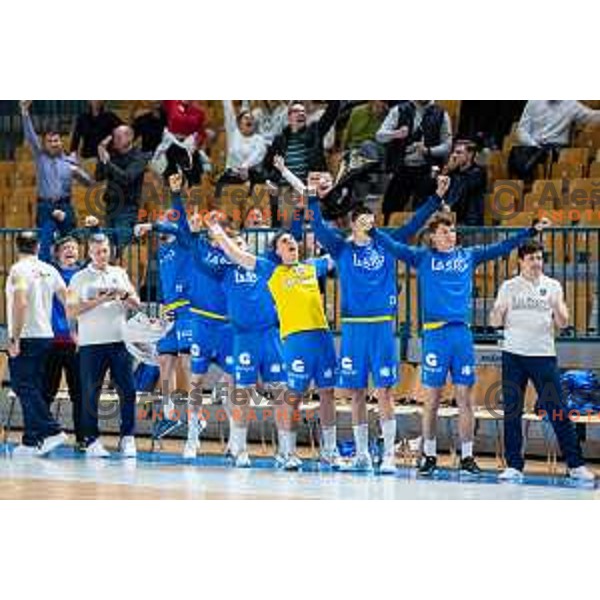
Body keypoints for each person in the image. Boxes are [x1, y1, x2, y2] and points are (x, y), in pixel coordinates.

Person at [275, 156, 453, 472]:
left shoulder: (386, 244)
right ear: (355, 223)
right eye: (365, 219)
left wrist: (436, 198)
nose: (371, 222)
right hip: (354, 328)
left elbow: (413, 225)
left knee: (384, 391)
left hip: (382, 327)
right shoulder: (342, 249)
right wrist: (313, 198)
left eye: (372, 218)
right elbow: (316, 225)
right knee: (355, 393)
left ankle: (387, 455)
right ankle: (360, 453)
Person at [366, 214, 551, 476]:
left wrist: (530, 230)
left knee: (466, 399)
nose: (450, 235)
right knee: (432, 398)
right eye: (444, 231)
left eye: (452, 231)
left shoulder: (468, 256)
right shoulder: (423, 258)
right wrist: (373, 232)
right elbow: (395, 247)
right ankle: (429, 455)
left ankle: (467, 456)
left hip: (461, 335)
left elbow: (502, 247)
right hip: (435, 336)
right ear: (433, 236)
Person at [208, 214, 339, 471]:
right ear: (276, 252)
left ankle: (289, 451)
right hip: (257, 338)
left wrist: (327, 218)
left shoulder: (313, 266)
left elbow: (339, 252)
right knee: (244, 392)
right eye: (284, 241)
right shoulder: (271, 270)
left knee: (286, 394)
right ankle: (240, 448)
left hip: (288, 338)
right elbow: (237, 255)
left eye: (292, 240)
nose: (290, 242)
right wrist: (217, 231)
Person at [490, 240, 595, 482]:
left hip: (543, 356)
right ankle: (514, 465)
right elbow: (495, 322)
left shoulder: (553, 286)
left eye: (539, 258)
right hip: (513, 355)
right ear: (520, 261)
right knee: (512, 411)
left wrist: (557, 308)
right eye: (532, 259)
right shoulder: (508, 287)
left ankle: (575, 464)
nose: (537, 263)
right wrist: (499, 310)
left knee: (558, 411)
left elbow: (564, 322)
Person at [67, 234, 141, 458]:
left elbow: (136, 304)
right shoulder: (79, 278)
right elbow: (71, 311)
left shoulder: (119, 273)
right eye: (97, 251)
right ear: (89, 253)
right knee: (90, 393)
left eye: (105, 251)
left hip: (119, 342)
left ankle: (127, 437)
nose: (102, 255)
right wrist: (101, 299)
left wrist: (123, 294)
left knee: (128, 391)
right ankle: (92, 440)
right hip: (91, 344)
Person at [6, 231, 69, 456]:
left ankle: (51, 431)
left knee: (23, 386)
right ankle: (31, 441)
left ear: (17, 246)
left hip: (27, 336)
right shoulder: (50, 270)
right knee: (32, 388)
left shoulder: (18, 270)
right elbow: (67, 298)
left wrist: (14, 338)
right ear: (38, 246)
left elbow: (20, 303)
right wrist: (75, 328)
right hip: (45, 335)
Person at [38, 222, 91, 449]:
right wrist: (55, 220)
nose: (71, 250)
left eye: (74, 247)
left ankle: (82, 438)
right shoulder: (50, 273)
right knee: (46, 392)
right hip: (52, 342)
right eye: (66, 247)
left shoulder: (84, 274)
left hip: (78, 343)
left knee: (79, 394)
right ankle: (44, 435)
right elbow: (41, 249)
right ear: (57, 253)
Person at [20, 100, 93, 236]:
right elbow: (30, 137)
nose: (53, 144)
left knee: (70, 239)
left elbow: (89, 183)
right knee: (46, 243)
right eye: (50, 141)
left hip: (65, 205)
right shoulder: (41, 157)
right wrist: (25, 113)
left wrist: (77, 171)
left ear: (61, 142)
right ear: (44, 144)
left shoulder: (70, 160)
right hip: (45, 207)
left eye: (56, 140)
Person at [376, 100, 452, 223]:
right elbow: (379, 136)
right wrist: (396, 133)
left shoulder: (441, 114)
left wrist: (428, 150)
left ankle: (423, 238)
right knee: (389, 209)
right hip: (401, 167)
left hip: (427, 169)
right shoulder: (399, 110)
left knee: (424, 210)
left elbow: (447, 146)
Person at [511, 100, 600, 180]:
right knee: (515, 155)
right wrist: (533, 143)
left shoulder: (571, 104)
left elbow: (591, 116)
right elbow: (521, 130)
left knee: (543, 155)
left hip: (557, 148)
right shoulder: (533, 102)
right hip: (533, 146)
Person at [96, 125, 148, 249]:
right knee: (109, 248)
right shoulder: (113, 155)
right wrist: (102, 158)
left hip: (127, 209)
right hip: (110, 207)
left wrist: (108, 162)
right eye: (114, 137)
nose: (115, 140)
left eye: (119, 137)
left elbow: (127, 178)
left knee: (123, 249)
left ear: (130, 138)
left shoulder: (140, 157)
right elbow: (99, 176)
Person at [215, 100, 267, 198]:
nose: (249, 120)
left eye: (252, 118)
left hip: (253, 174)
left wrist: (246, 165)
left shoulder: (259, 139)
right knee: (220, 184)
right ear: (239, 123)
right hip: (233, 173)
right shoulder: (233, 133)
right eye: (246, 118)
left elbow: (258, 153)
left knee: (261, 185)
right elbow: (228, 110)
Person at [154, 100, 208, 185]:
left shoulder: (199, 112)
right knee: (172, 159)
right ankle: (174, 187)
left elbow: (201, 131)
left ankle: (193, 186)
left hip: (189, 143)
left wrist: (197, 143)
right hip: (172, 141)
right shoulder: (171, 103)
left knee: (193, 164)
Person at [445, 140, 487, 226]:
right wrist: (447, 172)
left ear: (470, 154)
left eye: (459, 152)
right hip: (451, 219)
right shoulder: (453, 173)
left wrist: (450, 171)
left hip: (469, 223)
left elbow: (462, 190)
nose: (454, 156)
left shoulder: (477, 173)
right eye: (454, 152)